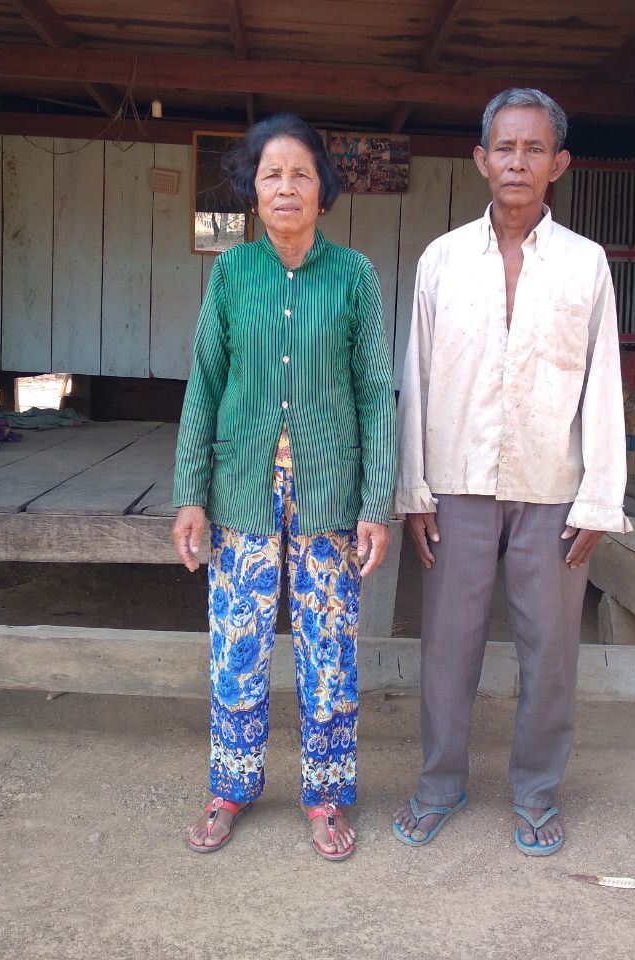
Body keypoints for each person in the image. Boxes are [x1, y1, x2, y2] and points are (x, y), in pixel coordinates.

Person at [391, 88, 631, 856]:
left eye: (534, 149)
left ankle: (534, 792)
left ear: (558, 164)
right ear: (480, 159)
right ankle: (439, 784)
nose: (517, 162)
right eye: (505, 147)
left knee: (550, 653)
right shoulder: (442, 260)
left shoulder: (586, 266)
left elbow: (604, 384)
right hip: (457, 484)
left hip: (551, 490)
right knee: (447, 648)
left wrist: (600, 496)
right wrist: (413, 487)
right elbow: (416, 375)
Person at [172, 113, 396, 861]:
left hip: (331, 496)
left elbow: (375, 394)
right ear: (254, 191)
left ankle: (326, 794)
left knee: (327, 649)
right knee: (237, 646)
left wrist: (376, 504)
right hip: (241, 492)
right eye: (272, 175)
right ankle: (230, 787)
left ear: (323, 189)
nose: (287, 187)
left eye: (302, 173)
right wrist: (190, 493)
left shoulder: (354, 276)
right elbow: (204, 385)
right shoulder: (232, 274)